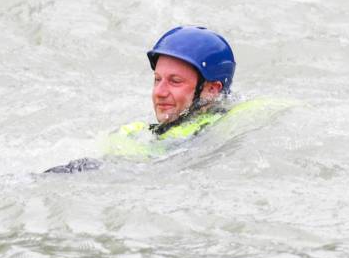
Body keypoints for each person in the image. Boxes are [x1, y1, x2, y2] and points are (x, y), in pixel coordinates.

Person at [44, 26, 236, 173]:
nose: (159, 92)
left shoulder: (215, 132)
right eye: (157, 79)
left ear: (211, 89)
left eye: (175, 81)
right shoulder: (140, 131)